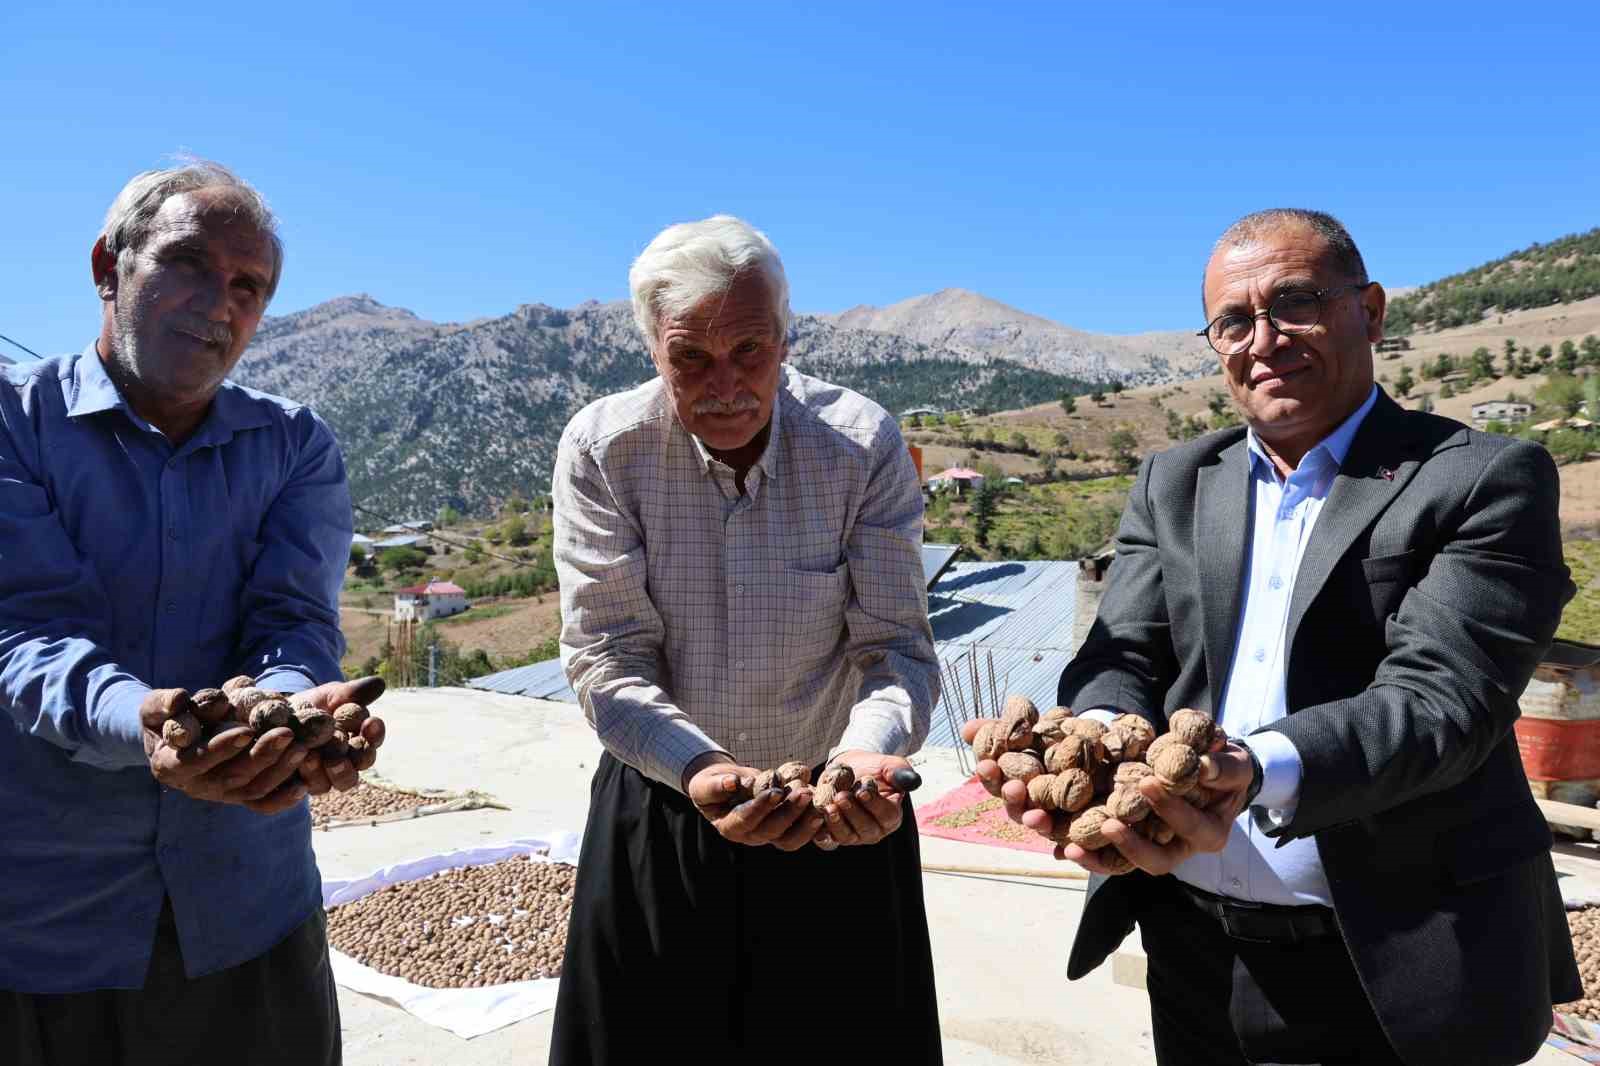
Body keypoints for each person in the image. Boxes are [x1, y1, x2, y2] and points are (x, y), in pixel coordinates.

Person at [971, 208, 1578, 1065]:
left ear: (1369, 311)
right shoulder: (1175, 480)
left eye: (1295, 303)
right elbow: (1129, 652)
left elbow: (1444, 699)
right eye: (1233, 321)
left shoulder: (1484, 478)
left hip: (1396, 962)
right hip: (1193, 949)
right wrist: (1095, 743)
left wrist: (1249, 770)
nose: (1264, 339)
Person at [0, 160, 386, 1066]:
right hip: (45, 924)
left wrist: (284, 713)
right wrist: (147, 724)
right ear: (109, 265)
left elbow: (295, 622)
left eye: (248, 285)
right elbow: (21, 630)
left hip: (248, 910)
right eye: (188, 263)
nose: (220, 303)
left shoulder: (294, 444)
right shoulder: (14, 423)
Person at [549, 215, 943, 1061]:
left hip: (842, 812)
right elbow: (606, 654)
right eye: (691, 357)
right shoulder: (603, 449)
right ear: (652, 345)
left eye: (750, 352)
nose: (723, 384)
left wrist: (864, 756)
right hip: (667, 797)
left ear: (785, 336)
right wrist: (701, 770)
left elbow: (896, 647)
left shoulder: (861, 442)